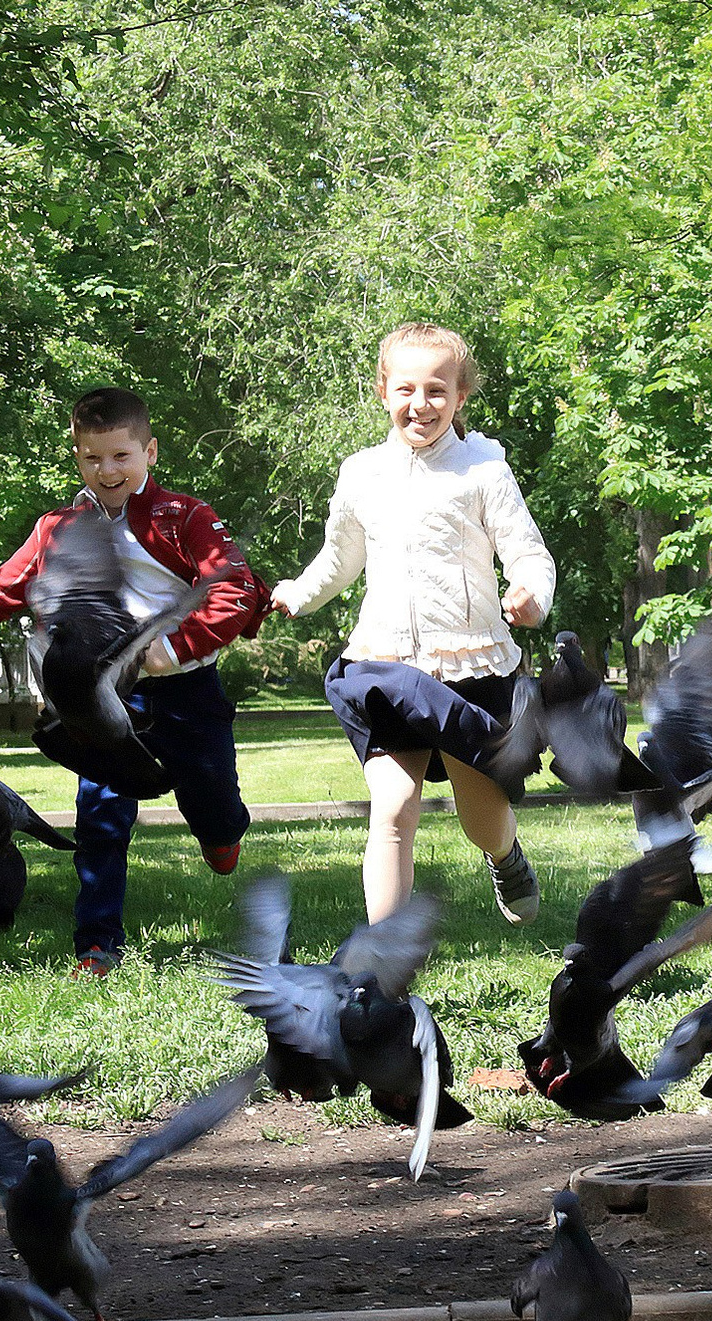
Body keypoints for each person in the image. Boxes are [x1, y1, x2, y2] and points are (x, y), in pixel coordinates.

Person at [0, 386, 268, 978]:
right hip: (101, 699)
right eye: (92, 458)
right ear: (76, 457)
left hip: (186, 691)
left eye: (121, 456)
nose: (107, 470)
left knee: (213, 799)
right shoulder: (58, 528)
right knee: (101, 816)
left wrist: (176, 646)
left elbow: (235, 589)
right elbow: (2, 587)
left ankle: (222, 833)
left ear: (148, 451)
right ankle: (97, 945)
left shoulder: (186, 517)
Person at [269, 322, 556, 927]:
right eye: (405, 389)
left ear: (460, 397)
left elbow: (528, 553)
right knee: (393, 809)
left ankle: (504, 855)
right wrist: (298, 593)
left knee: (482, 817)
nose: (419, 405)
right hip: (387, 665)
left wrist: (532, 596)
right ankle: (384, 971)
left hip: (471, 667)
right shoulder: (362, 474)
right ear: (382, 391)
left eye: (435, 391)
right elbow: (340, 558)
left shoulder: (483, 471)